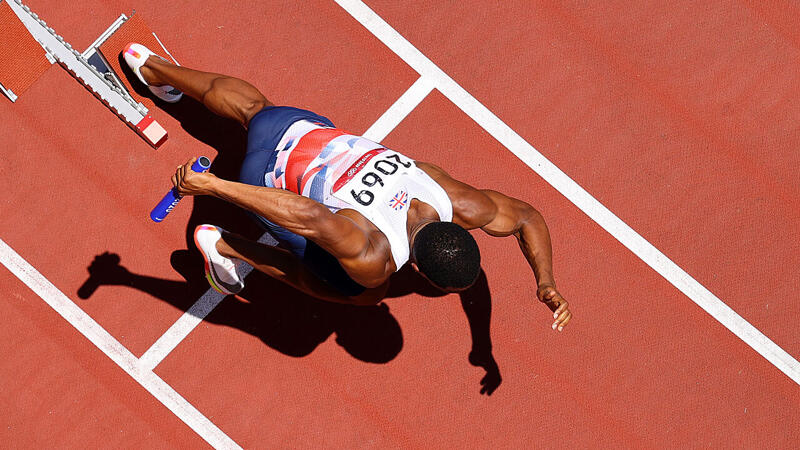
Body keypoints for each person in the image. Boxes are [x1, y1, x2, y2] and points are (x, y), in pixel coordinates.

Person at [123, 43, 572, 331]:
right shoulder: (376, 257)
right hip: (263, 174)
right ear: (415, 267)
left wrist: (545, 281)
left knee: (253, 107)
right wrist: (215, 187)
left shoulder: (452, 197)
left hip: (296, 129)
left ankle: (155, 68)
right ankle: (225, 248)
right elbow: (309, 217)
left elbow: (526, 217)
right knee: (358, 292)